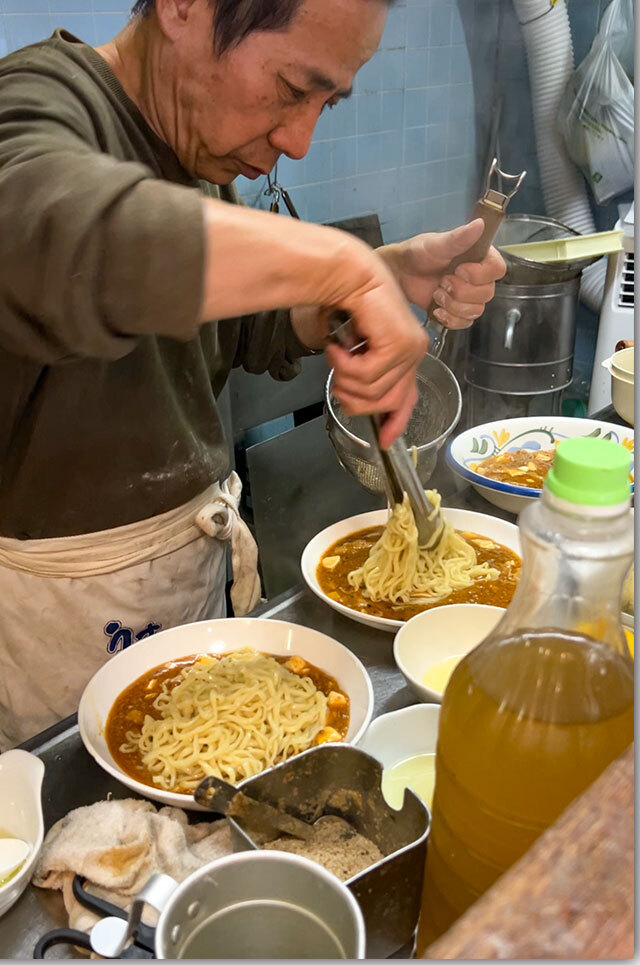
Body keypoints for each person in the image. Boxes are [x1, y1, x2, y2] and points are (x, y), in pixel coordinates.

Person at [0, 0, 505, 748]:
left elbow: (237, 325)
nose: (299, 142)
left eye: (327, 102)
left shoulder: (194, 147)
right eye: (293, 87)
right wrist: (341, 264)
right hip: (53, 634)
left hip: (190, 590)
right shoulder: (34, 105)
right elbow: (56, 235)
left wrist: (383, 276)